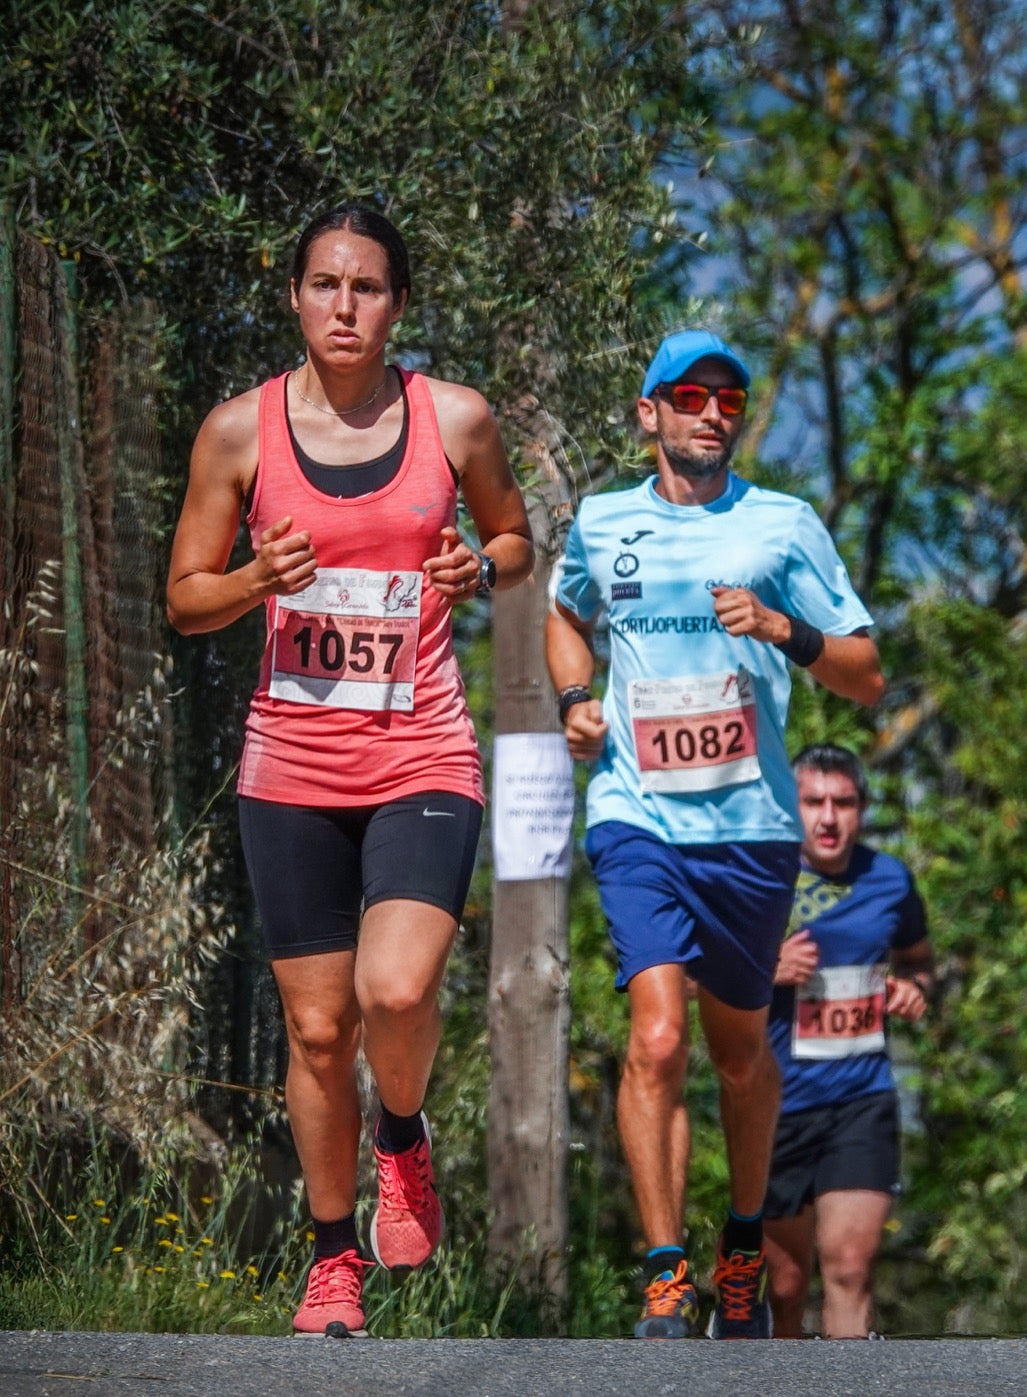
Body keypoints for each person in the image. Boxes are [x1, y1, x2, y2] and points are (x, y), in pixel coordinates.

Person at [166, 204, 533, 1338]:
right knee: (319, 1031)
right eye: (324, 283)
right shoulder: (239, 433)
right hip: (292, 762)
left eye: (367, 287)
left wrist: (482, 562)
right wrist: (251, 580)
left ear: (398, 304)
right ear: (293, 295)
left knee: (396, 987)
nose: (344, 305)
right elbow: (184, 597)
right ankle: (333, 1258)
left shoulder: (454, 420)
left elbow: (515, 539)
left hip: (421, 744)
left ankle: (403, 1135)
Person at [547, 329, 883, 1340]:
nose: (711, 413)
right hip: (635, 810)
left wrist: (787, 630)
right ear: (648, 412)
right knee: (655, 1036)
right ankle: (663, 1272)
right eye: (689, 396)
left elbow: (866, 672)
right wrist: (574, 695)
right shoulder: (603, 521)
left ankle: (741, 1246)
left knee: (739, 1050)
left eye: (729, 400)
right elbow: (565, 612)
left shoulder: (783, 524)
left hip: (750, 824)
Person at [763, 745, 932, 1339]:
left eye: (844, 803)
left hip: (862, 1099)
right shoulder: (763, 879)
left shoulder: (888, 879)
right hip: (775, 1107)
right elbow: (687, 983)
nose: (829, 818)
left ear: (862, 809)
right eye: (813, 802)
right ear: (793, 807)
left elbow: (918, 961)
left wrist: (913, 989)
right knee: (784, 1290)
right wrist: (767, 965)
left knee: (850, 1269)